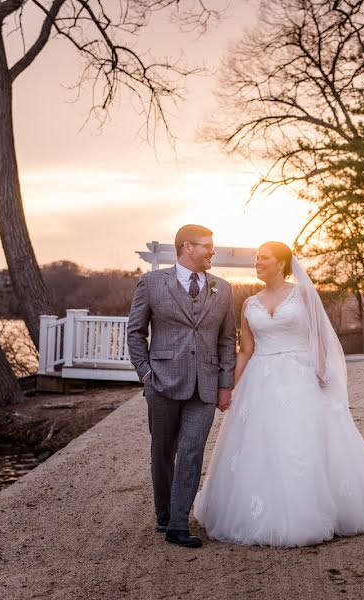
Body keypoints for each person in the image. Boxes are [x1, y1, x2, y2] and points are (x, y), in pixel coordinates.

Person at [193, 241, 364, 547]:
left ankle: (315, 510)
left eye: (264, 258)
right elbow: (246, 351)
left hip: (300, 375)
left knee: (302, 440)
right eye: (256, 258)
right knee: (262, 443)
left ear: (281, 263)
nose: (257, 263)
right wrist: (230, 388)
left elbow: (321, 338)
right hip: (260, 380)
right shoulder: (250, 304)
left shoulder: (302, 294)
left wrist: (322, 371)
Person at [127, 224, 237, 548]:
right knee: (163, 452)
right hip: (161, 383)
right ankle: (163, 516)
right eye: (207, 246)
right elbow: (135, 332)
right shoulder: (151, 283)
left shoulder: (223, 289)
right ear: (187, 247)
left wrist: (225, 383)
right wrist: (146, 374)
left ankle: (178, 524)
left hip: (205, 386)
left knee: (191, 452)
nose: (212, 252)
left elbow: (228, 339)